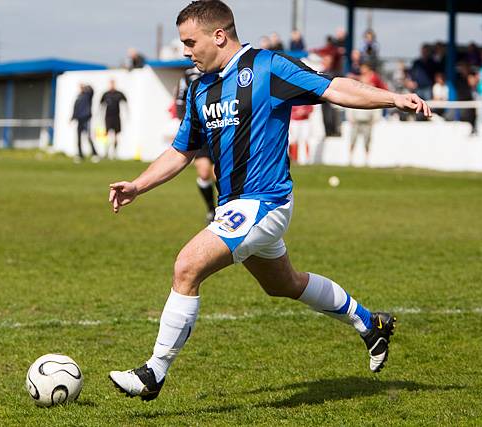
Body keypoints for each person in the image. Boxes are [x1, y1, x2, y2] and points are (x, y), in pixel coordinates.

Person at [108, 0, 431, 401]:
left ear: (219, 35)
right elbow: (181, 151)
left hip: (265, 203)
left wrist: (392, 98)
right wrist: (138, 185)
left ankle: (153, 372)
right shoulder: (198, 87)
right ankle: (371, 324)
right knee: (285, 284)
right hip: (234, 207)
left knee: (186, 266)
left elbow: (332, 87)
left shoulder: (268, 67)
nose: (186, 51)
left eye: (190, 42)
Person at [176, 67, 216, 223]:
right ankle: (211, 210)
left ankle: (226, 211)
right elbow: (180, 99)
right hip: (200, 131)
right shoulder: (188, 74)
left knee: (220, 175)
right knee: (204, 172)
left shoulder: (222, 69)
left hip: (221, 129)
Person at [71, 83, 100, 163]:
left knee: (88, 137)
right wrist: (73, 117)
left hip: (86, 119)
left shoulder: (87, 95)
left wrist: (85, 87)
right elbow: (76, 107)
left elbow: (91, 90)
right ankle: (80, 155)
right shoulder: (79, 96)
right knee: (78, 138)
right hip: (79, 119)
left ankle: (95, 154)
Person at [100, 80, 128, 160]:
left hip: (116, 117)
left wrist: (127, 116)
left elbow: (125, 103)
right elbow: (101, 105)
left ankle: (115, 153)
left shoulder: (119, 94)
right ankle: (106, 152)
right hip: (108, 117)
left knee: (116, 135)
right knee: (107, 134)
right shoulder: (106, 94)